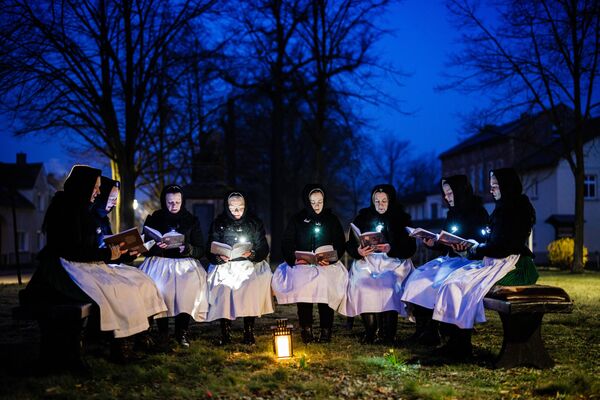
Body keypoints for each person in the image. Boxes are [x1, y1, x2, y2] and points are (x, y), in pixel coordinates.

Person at [23, 165, 167, 362]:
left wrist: (119, 254)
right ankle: (120, 346)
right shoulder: (66, 209)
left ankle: (129, 341)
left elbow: (87, 248)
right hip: (65, 269)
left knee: (129, 284)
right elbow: (72, 249)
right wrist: (109, 254)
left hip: (81, 264)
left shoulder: (81, 209)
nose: (98, 192)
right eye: (96, 187)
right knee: (121, 289)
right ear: (84, 186)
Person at [431, 168, 539, 359]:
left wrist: (475, 248)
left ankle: (461, 345)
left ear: (507, 185)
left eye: (496, 186)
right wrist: (476, 247)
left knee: (459, 284)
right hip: (498, 260)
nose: (492, 190)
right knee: (453, 280)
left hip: (513, 265)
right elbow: (495, 243)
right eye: (491, 186)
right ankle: (457, 342)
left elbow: (503, 246)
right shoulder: (504, 207)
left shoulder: (515, 209)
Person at [401, 175, 488, 346]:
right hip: (450, 259)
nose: (447, 197)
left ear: (460, 191)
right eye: (445, 194)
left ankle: (436, 330)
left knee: (437, 283)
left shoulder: (479, 212)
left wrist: (466, 247)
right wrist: (432, 243)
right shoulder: (452, 214)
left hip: (468, 263)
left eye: (450, 193)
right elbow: (445, 243)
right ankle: (424, 331)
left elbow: (482, 243)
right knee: (418, 277)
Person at [272, 184, 347, 343]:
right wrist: (294, 258)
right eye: (313, 202)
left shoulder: (331, 219)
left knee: (325, 287)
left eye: (320, 202)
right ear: (307, 202)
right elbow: (287, 242)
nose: (317, 206)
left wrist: (332, 258)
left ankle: (326, 330)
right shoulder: (297, 219)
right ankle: (306, 329)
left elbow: (340, 243)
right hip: (302, 265)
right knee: (303, 286)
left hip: (327, 265)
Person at [342, 184, 416, 344]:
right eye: (377, 201)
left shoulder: (402, 219)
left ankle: (388, 332)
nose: (380, 205)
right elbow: (350, 243)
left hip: (393, 261)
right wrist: (358, 251)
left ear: (390, 201)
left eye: (384, 201)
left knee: (389, 283)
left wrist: (392, 248)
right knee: (362, 282)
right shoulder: (363, 217)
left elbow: (410, 248)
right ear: (372, 201)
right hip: (368, 260)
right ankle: (371, 330)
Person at [139, 184, 209, 348]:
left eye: (177, 202)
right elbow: (144, 246)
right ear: (164, 201)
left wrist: (187, 248)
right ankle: (163, 331)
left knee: (187, 286)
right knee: (159, 288)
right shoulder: (155, 218)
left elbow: (200, 249)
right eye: (170, 202)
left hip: (184, 263)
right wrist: (156, 247)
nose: (173, 206)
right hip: (159, 261)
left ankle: (181, 331)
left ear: (182, 201)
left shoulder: (191, 220)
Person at [205, 191, 274, 345]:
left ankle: (248, 331)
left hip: (248, 264)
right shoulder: (218, 223)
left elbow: (263, 248)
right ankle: (225, 332)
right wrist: (218, 257)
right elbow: (210, 247)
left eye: (240, 207)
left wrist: (253, 254)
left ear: (245, 206)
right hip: (225, 265)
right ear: (227, 207)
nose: (237, 211)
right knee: (223, 288)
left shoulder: (254, 223)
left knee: (250, 286)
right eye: (233, 207)